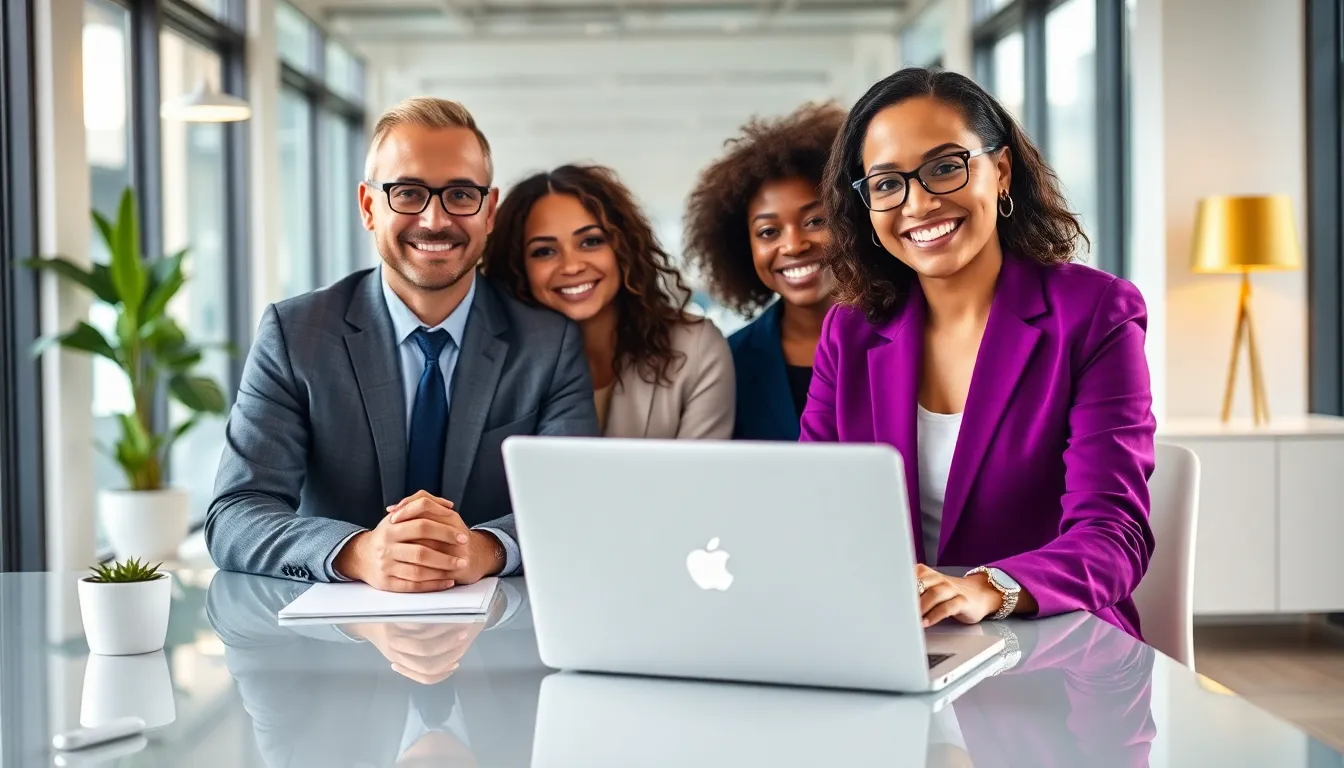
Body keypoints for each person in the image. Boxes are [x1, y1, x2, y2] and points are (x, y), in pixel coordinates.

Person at [803, 68, 1155, 639]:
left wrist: (985, 589)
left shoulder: (1095, 314)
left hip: (1056, 646)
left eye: (945, 167)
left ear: (1002, 171)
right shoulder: (850, 331)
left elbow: (1113, 538)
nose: (919, 203)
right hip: (897, 640)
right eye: (887, 184)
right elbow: (814, 511)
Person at [208, 97, 599, 591]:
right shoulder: (295, 334)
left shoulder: (549, 344)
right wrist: (358, 552)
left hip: (500, 623)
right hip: (331, 630)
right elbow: (235, 513)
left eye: (461, 194)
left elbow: (573, 503)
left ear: (489, 211)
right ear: (368, 206)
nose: (435, 220)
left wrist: (484, 547)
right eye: (408, 193)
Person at [481, 164, 734, 438]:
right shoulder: (492, 361)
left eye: (590, 242)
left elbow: (701, 466)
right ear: (517, 267)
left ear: (624, 248)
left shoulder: (696, 347)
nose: (572, 266)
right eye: (544, 251)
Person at [684, 102, 846, 441]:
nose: (794, 246)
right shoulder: (729, 362)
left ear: (852, 220)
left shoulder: (907, 336)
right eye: (768, 232)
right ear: (744, 247)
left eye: (815, 221)